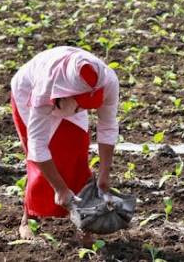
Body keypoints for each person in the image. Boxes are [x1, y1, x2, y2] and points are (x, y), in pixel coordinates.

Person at [10, 46, 119, 243]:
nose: (85, 107)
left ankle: (85, 225)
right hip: (28, 94)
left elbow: (108, 127)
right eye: (81, 102)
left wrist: (104, 175)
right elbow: (37, 146)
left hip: (66, 101)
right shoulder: (45, 87)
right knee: (47, 158)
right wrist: (60, 189)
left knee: (77, 152)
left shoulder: (106, 81)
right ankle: (28, 219)